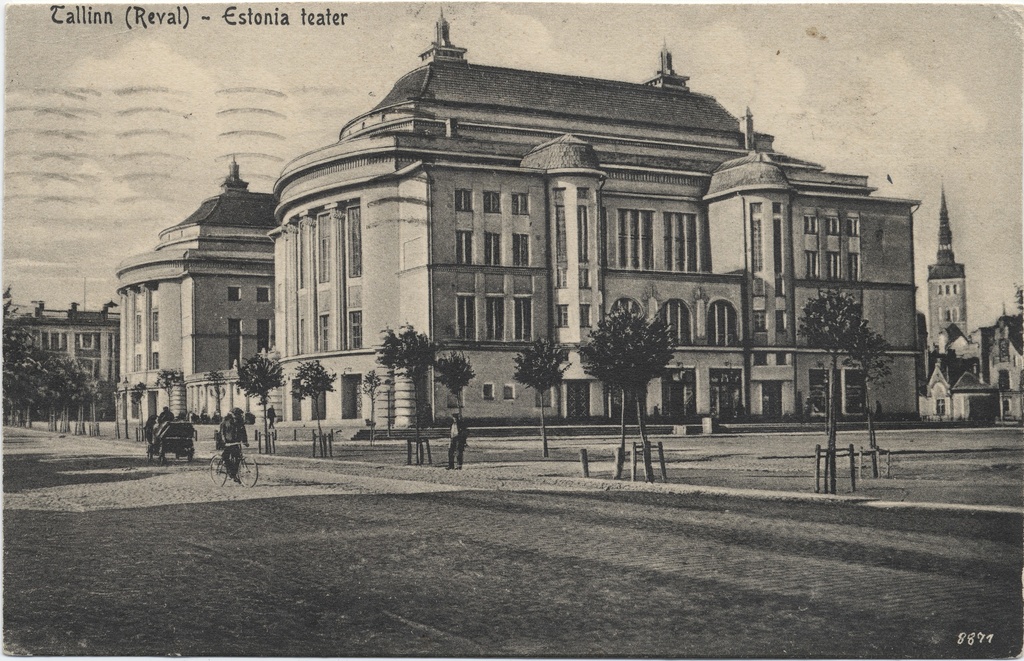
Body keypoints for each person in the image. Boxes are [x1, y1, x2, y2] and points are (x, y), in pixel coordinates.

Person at [219, 407, 249, 483]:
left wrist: (245, 441)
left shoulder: (240, 421)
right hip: (228, 442)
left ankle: (234, 474)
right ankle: (230, 471)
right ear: (232, 414)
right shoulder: (226, 420)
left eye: (239, 415)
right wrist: (224, 441)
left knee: (238, 458)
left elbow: (243, 431)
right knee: (225, 457)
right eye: (236, 415)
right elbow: (222, 431)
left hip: (236, 442)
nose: (238, 416)